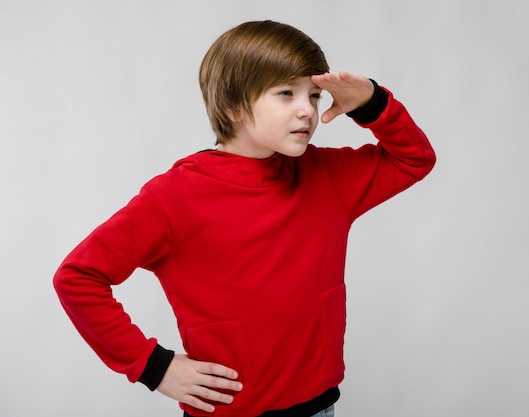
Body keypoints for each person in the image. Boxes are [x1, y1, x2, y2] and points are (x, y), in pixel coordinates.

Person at [53, 20, 436, 417]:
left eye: (315, 95)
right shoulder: (175, 197)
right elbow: (78, 277)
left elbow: (414, 158)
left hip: (320, 406)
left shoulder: (327, 177)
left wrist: (373, 102)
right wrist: (155, 367)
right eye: (286, 93)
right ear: (233, 105)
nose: (307, 109)